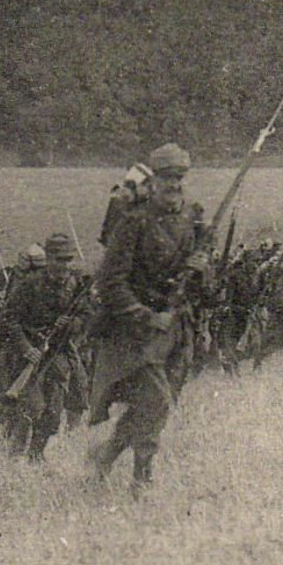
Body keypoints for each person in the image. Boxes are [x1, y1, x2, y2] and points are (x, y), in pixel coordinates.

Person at [85, 143, 209, 491]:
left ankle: (107, 456)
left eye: (180, 179)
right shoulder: (133, 222)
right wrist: (144, 315)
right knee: (156, 400)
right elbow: (110, 283)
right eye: (168, 178)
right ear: (153, 181)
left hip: (176, 329)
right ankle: (142, 478)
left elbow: (204, 286)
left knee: (154, 406)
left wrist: (202, 269)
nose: (175, 186)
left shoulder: (192, 219)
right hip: (136, 333)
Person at [0, 233, 88, 461]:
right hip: (28, 354)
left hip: (57, 353)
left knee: (53, 413)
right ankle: (15, 452)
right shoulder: (29, 284)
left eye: (68, 259)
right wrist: (26, 346)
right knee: (32, 407)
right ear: (48, 258)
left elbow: (87, 317)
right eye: (59, 259)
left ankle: (36, 455)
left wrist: (71, 324)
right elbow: (9, 318)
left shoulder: (77, 285)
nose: (64, 265)